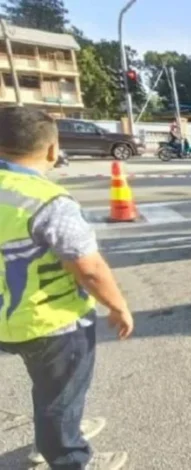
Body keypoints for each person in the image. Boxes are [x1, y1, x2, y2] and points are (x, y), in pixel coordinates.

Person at [0, 107, 133, 470]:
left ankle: (57, 433)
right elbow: (88, 268)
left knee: (48, 388)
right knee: (60, 394)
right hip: (51, 320)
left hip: (6, 320)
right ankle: (68, 456)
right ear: (51, 150)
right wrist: (118, 305)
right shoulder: (45, 199)